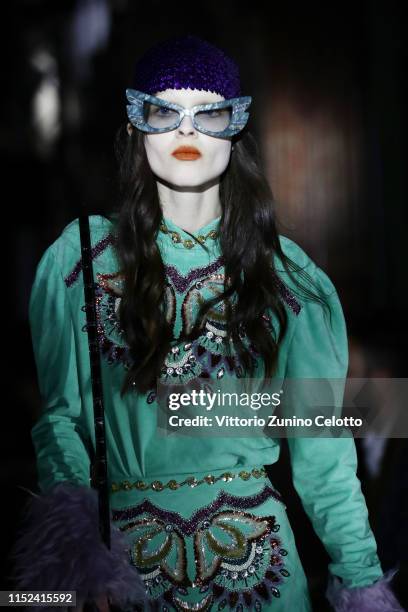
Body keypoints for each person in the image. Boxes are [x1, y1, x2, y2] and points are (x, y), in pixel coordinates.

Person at [12, 35, 404, 612]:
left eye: (209, 111)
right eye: (164, 111)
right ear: (133, 126)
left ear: (236, 128)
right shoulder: (80, 262)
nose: (187, 130)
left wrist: (363, 583)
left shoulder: (291, 278)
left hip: (262, 572)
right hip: (124, 575)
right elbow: (59, 421)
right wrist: (77, 551)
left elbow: (325, 454)